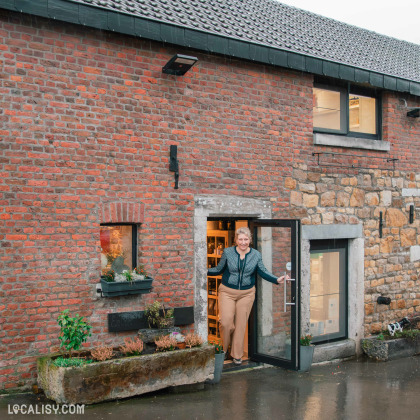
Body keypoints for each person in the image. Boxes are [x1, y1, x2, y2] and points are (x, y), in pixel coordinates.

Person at [208, 226, 287, 365]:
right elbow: (218, 269)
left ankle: (236, 355)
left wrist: (276, 279)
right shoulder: (228, 252)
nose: (243, 242)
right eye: (240, 239)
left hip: (247, 293)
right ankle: (223, 349)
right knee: (226, 322)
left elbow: (262, 271)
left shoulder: (256, 255)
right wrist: (203, 270)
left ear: (250, 240)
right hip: (227, 291)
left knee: (240, 325)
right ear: (236, 240)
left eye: (246, 239)